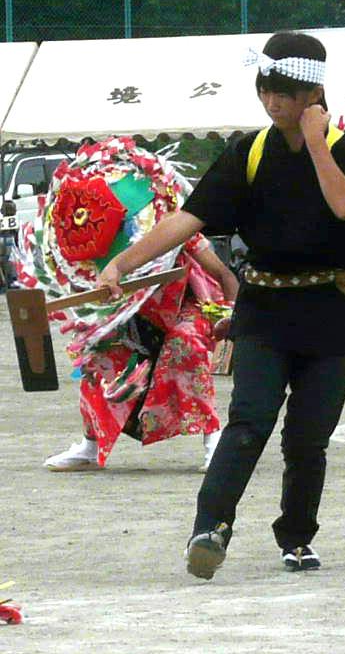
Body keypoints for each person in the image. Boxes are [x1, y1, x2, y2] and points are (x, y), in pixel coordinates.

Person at [96, 31, 345, 580]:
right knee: (248, 420)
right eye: (266, 90)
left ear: (312, 95)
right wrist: (124, 264)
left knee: (307, 437)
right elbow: (188, 218)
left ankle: (295, 537)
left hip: (332, 309)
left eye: (286, 93)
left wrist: (318, 141)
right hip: (265, 309)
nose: (273, 103)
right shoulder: (247, 152)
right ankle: (210, 528)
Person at [27, 140, 239, 474]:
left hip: (187, 308)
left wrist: (232, 318)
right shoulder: (97, 250)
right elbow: (98, 299)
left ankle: (213, 439)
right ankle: (89, 444)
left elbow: (224, 274)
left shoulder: (171, 227)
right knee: (99, 353)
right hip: (132, 316)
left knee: (187, 345)